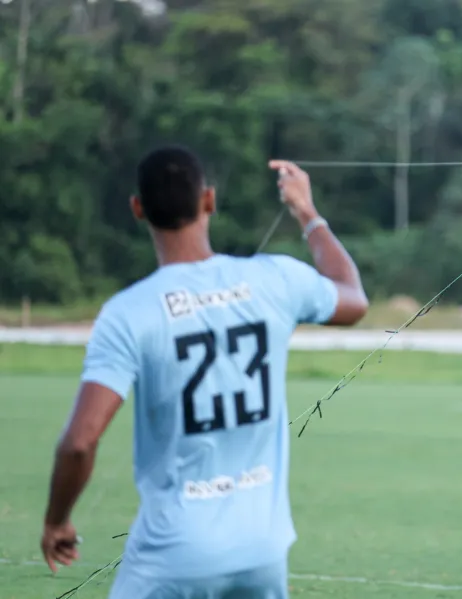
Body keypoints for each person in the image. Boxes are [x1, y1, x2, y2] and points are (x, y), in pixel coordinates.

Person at [40, 146, 369, 598]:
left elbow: (80, 442)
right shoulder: (274, 278)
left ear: (138, 209)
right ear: (209, 201)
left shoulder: (127, 312)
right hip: (262, 549)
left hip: (173, 553)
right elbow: (353, 297)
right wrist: (306, 211)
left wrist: (56, 520)